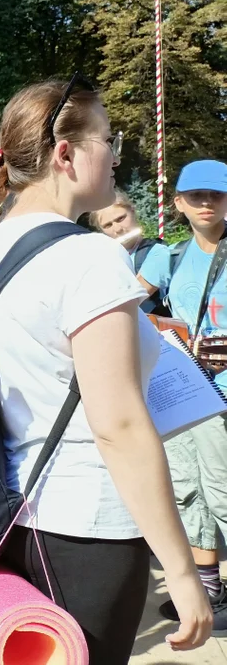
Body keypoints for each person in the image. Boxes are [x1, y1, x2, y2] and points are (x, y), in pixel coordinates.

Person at [0, 75, 210, 661]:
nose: (116, 155)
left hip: (12, 508)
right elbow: (118, 425)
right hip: (88, 525)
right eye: (108, 139)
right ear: (65, 154)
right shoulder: (89, 258)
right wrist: (184, 573)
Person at [138, 159, 227, 631]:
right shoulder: (166, 257)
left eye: (217, 194)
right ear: (178, 204)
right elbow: (121, 307)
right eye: (197, 196)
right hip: (183, 390)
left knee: (224, 491)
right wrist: (164, 330)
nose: (207, 203)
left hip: (223, 397)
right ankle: (209, 585)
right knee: (189, 490)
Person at [90, 187, 167, 314]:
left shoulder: (158, 252)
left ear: (133, 211)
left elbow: (132, 300)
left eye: (121, 219)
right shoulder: (104, 259)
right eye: (108, 225)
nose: (117, 229)